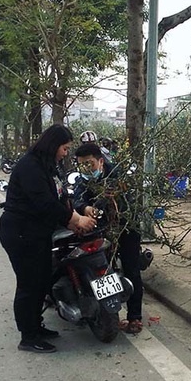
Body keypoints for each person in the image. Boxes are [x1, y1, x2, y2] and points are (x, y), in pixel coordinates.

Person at [0, 124, 96, 353]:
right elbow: (45, 204)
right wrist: (75, 219)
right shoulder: (30, 166)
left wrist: (75, 220)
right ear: (53, 145)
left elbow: (60, 198)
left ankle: (36, 326)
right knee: (29, 284)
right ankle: (28, 336)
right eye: (64, 148)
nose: (65, 152)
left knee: (42, 280)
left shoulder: (48, 166)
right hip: (21, 233)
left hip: (37, 233)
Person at [73, 142, 143, 334]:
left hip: (126, 228)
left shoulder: (118, 175)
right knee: (103, 269)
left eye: (90, 164)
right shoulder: (82, 179)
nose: (87, 169)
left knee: (132, 270)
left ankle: (135, 317)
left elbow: (128, 201)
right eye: (82, 166)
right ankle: (109, 314)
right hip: (102, 230)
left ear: (101, 161)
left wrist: (111, 202)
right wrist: (85, 208)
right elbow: (77, 197)